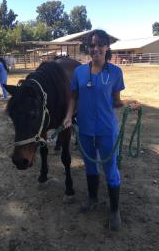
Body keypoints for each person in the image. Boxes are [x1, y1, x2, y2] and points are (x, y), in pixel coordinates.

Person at [63, 29, 140, 231]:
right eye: (92, 45)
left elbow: (115, 101)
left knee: (111, 170)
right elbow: (73, 97)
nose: (95, 48)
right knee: (90, 166)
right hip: (85, 130)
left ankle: (115, 210)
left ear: (107, 47)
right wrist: (69, 116)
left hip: (107, 130)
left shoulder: (115, 72)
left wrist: (127, 103)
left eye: (100, 44)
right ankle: (93, 199)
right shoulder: (79, 72)